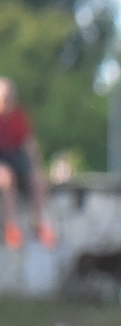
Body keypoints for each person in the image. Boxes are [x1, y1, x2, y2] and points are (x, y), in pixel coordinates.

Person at [0, 77, 58, 251]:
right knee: (6, 179)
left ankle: (39, 224)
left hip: (15, 158)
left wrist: (36, 166)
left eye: (10, 95)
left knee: (37, 180)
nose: (8, 99)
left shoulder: (19, 116)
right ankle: (10, 227)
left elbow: (28, 143)